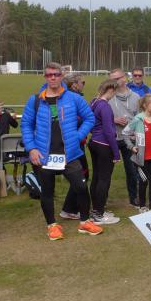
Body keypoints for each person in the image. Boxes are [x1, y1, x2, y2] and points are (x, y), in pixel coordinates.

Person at [21, 62, 100, 240]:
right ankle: (52, 225)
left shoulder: (73, 98)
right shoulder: (35, 100)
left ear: (61, 76)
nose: (53, 78)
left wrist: (78, 136)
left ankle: (85, 222)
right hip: (44, 155)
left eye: (56, 74)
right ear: (45, 77)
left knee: (81, 187)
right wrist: (31, 148)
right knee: (47, 191)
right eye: (49, 75)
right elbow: (26, 125)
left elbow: (89, 118)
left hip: (69, 154)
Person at [123, 94, 151, 212]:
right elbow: (125, 133)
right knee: (143, 181)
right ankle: (142, 206)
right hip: (142, 157)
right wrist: (131, 147)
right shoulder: (138, 119)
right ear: (145, 105)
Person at [58, 71, 91, 221]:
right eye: (82, 82)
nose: (84, 84)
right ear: (74, 85)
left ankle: (71, 208)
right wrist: (79, 133)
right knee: (80, 176)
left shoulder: (72, 97)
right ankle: (70, 209)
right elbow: (72, 120)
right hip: (73, 144)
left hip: (75, 142)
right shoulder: (72, 99)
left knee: (81, 175)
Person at [88, 79, 121, 224]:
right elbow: (108, 131)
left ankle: (96, 209)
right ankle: (98, 214)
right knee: (103, 179)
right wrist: (116, 152)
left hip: (94, 142)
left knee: (96, 177)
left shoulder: (94, 102)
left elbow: (89, 122)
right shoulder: (105, 106)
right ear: (111, 90)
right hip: (104, 145)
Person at [108, 68, 140, 208]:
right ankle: (101, 201)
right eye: (112, 79)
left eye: (117, 78)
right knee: (106, 172)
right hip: (112, 138)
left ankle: (134, 198)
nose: (114, 82)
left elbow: (140, 118)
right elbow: (98, 116)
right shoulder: (107, 96)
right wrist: (114, 120)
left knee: (132, 170)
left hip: (129, 139)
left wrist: (133, 127)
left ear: (124, 78)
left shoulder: (136, 97)